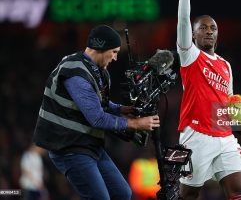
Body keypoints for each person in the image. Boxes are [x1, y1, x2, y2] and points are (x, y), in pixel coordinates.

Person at [33, 25, 160, 200]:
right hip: (68, 147)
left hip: (88, 145)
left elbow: (101, 103)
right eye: (114, 52)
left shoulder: (97, 71)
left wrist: (122, 109)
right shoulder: (76, 73)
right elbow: (97, 118)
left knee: (122, 194)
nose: (115, 58)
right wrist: (136, 124)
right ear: (102, 48)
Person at [176, 0, 241, 200]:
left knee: (238, 189)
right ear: (193, 35)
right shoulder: (189, 56)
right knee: (189, 193)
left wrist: (240, 117)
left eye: (213, 28)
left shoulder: (226, 65)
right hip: (196, 135)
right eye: (203, 28)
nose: (209, 31)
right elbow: (183, 20)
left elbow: (228, 100)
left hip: (225, 135)